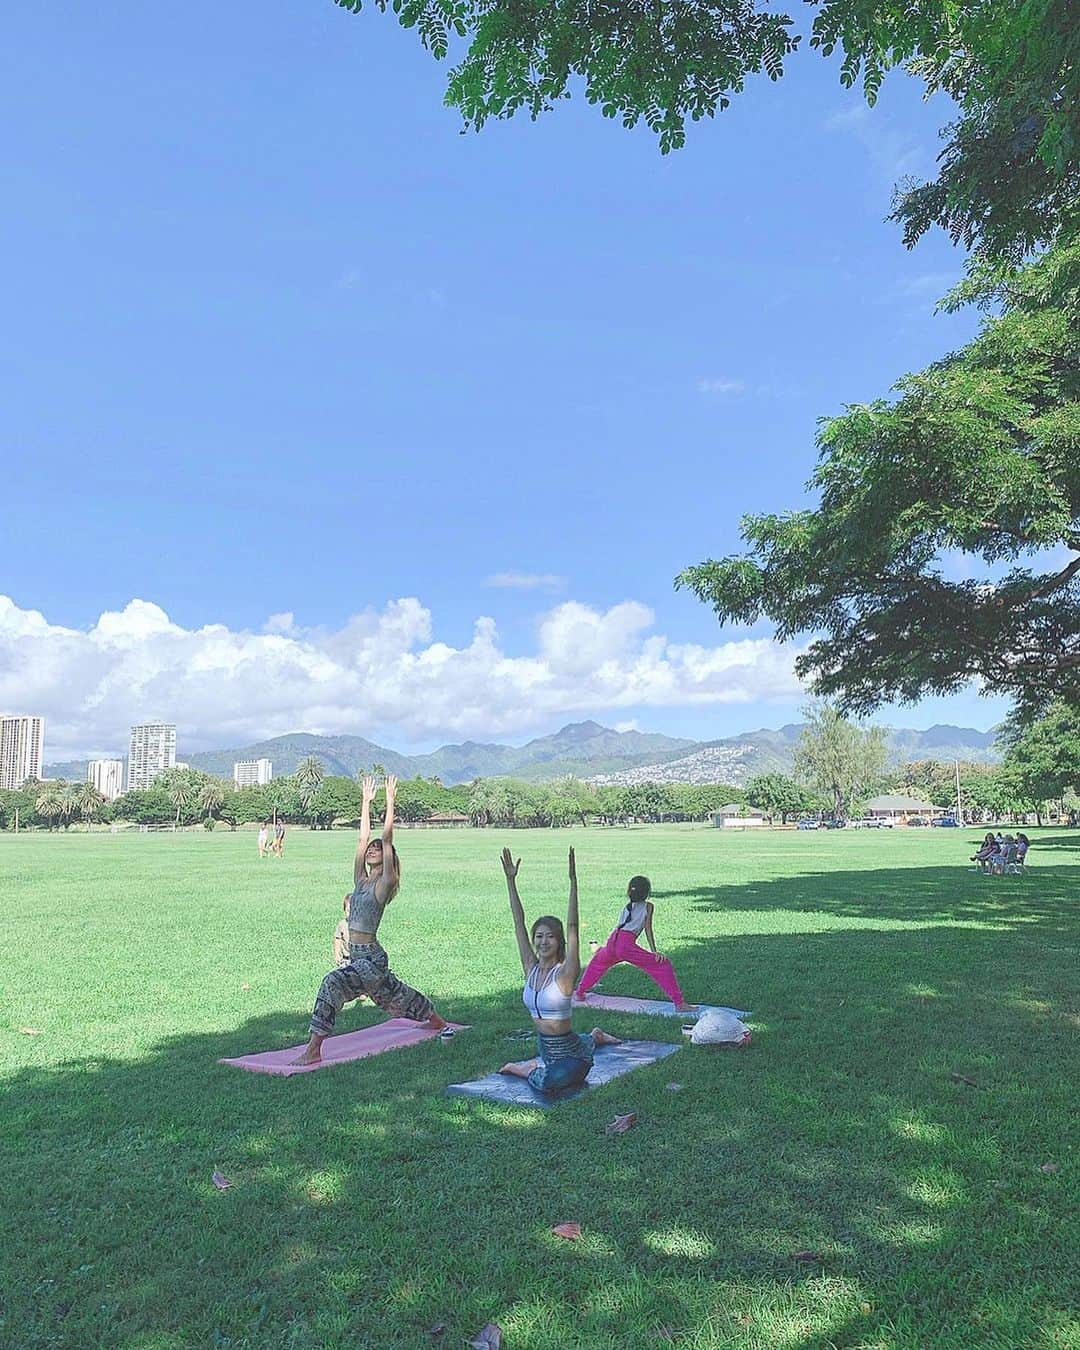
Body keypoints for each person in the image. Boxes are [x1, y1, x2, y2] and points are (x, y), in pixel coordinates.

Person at [291, 774, 446, 1065]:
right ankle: (436, 1019)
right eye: (371, 849)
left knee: (331, 984)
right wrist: (365, 802)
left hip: (371, 959)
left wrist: (389, 801)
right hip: (357, 956)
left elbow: (386, 838)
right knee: (396, 996)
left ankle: (312, 1051)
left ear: (388, 858)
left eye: (378, 849)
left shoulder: (384, 883)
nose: (373, 849)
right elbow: (362, 839)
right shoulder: (360, 881)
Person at [498, 846, 619, 1095]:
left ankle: (525, 1069)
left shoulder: (564, 974)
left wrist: (573, 882)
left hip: (573, 1056)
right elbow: (517, 921)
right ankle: (594, 1036)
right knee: (551, 1074)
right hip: (546, 1048)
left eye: (550, 937)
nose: (544, 942)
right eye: (539, 937)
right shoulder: (530, 968)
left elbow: (573, 926)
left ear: (559, 941)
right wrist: (511, 881)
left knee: (548, 1083)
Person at [572, 875, 694, 1014]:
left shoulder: (628, 907)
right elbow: (648, 929)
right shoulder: (649, 906)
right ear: (647, 892)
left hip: (614, 940)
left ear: (630, 891)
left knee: (598, 962)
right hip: (625, 944)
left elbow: (621, 927)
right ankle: (679, 1004)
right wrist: (654, 951)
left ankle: (580, 992)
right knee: (662, 964)